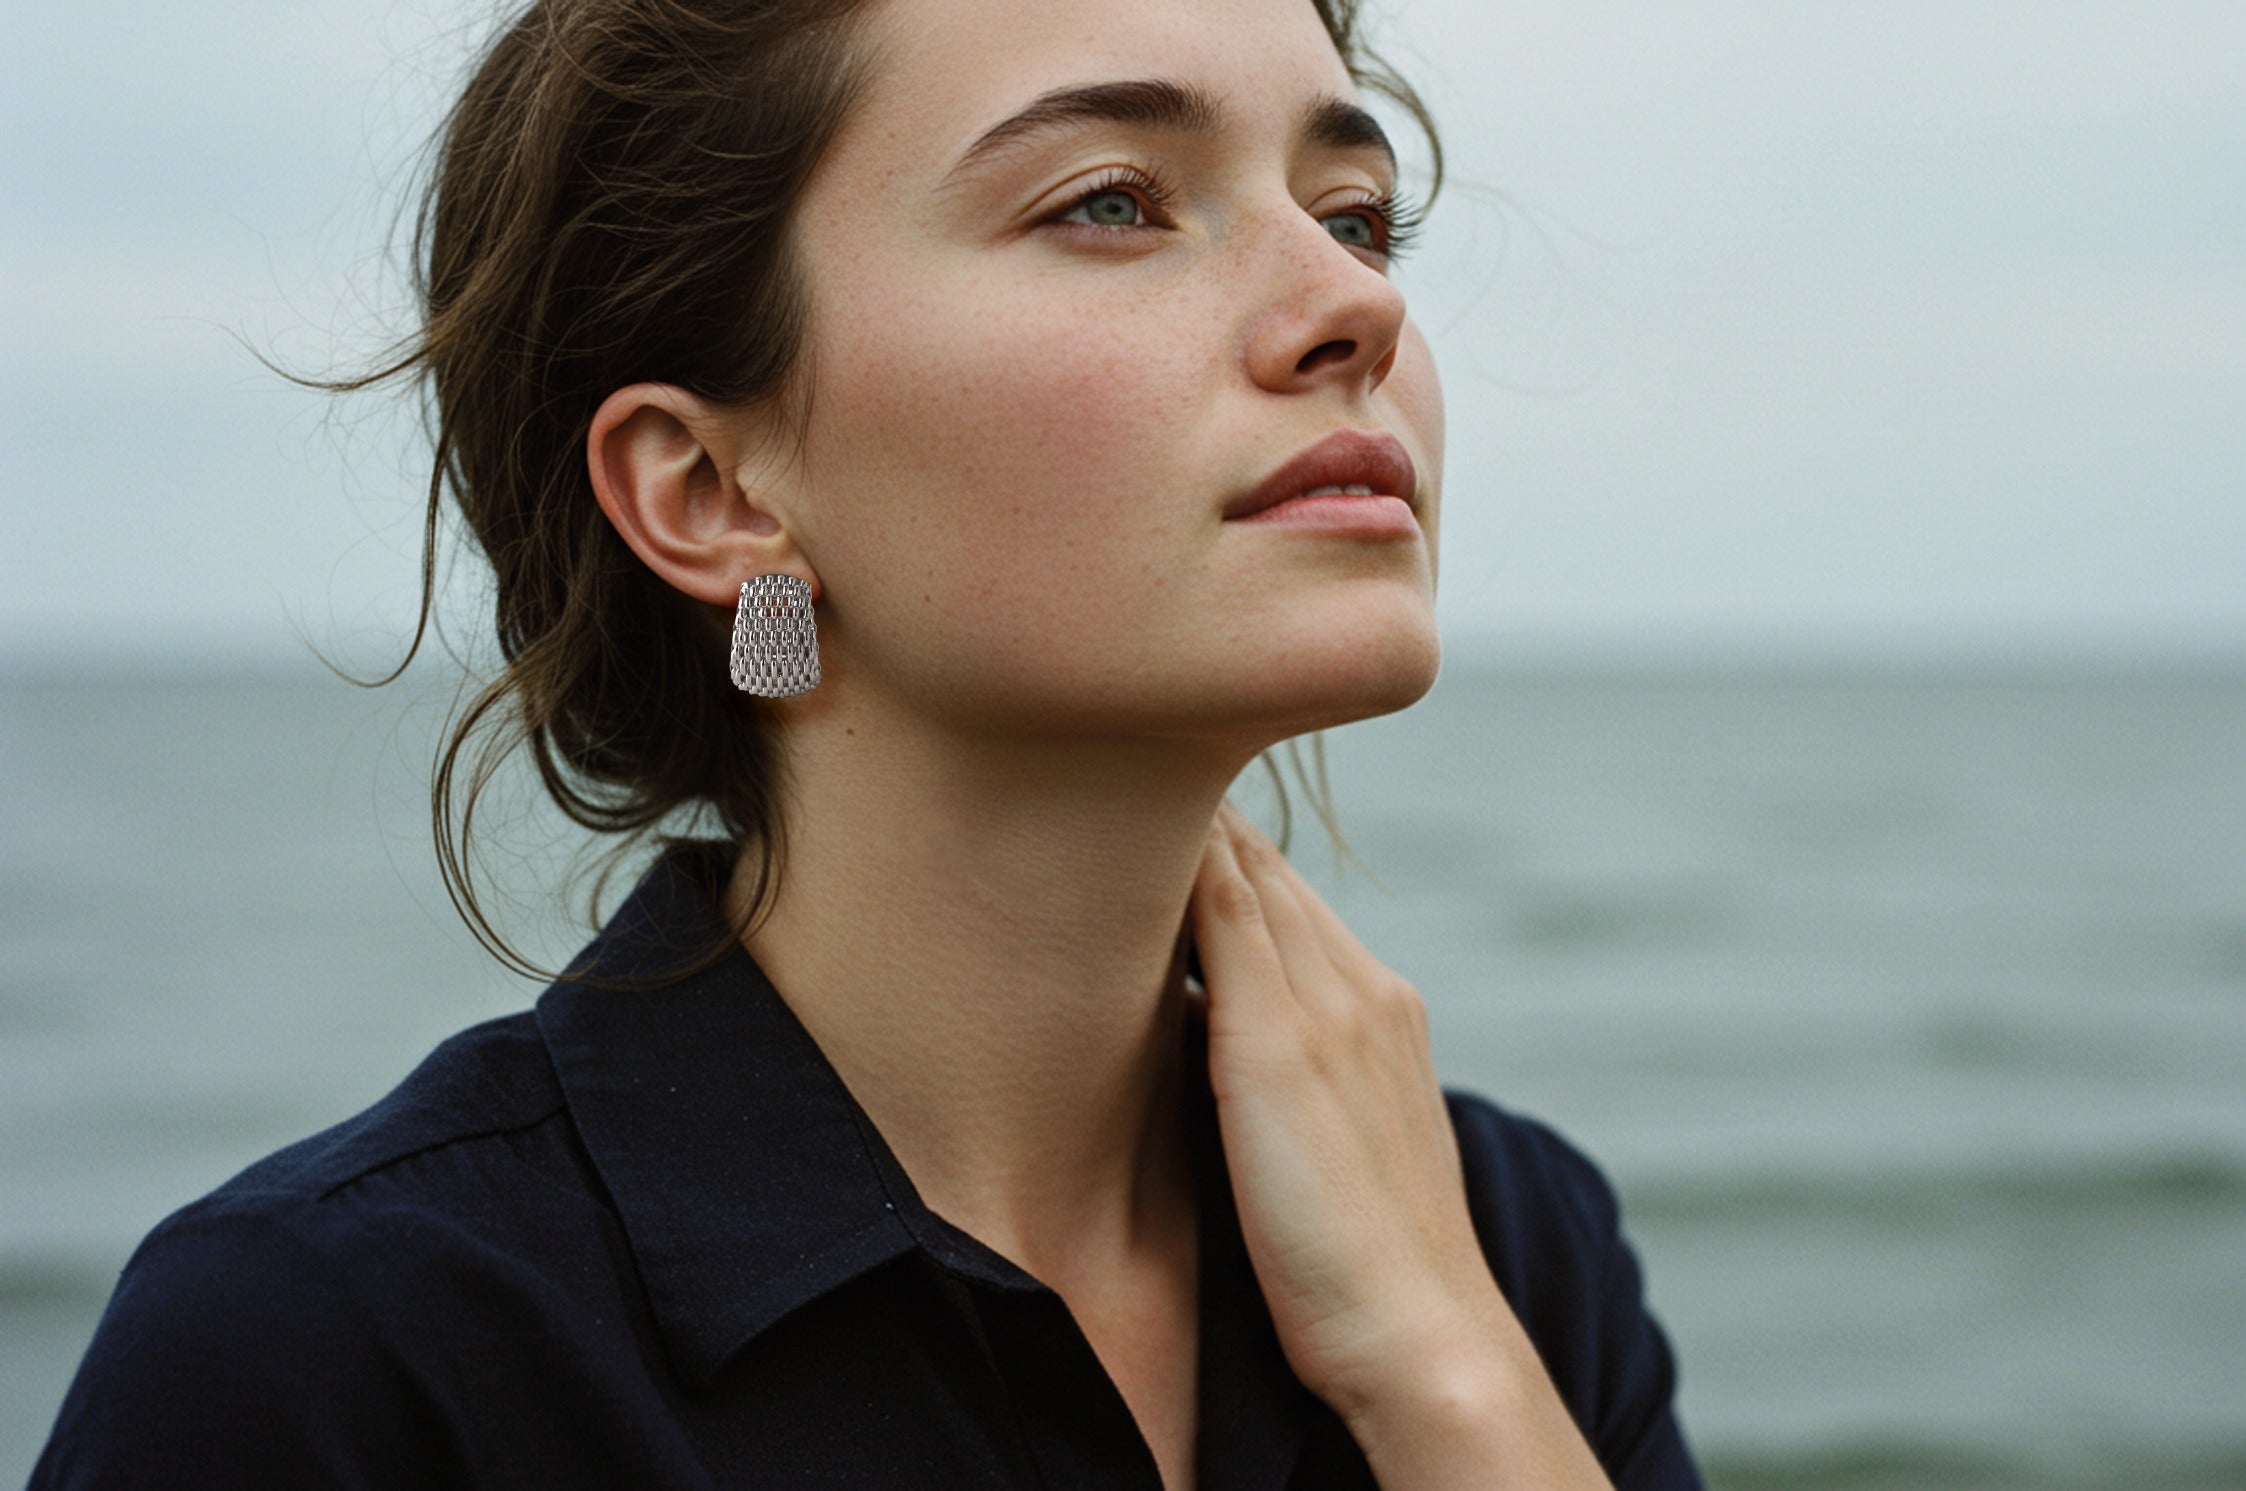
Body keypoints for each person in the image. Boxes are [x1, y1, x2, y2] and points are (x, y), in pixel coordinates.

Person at [31, 0, 1706, 1485]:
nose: (1353, 305)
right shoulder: (337, 1355)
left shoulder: (1505, 1248)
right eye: (1112, 201)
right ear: (715, 492)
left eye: (1357, 214)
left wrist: (1451, 1382)